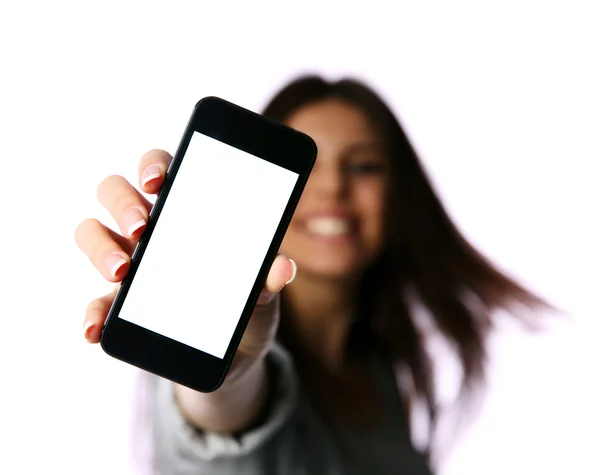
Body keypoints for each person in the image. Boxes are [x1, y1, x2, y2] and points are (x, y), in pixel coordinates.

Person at [75, 75, 549, 474]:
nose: (334, 188)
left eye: (364, 166)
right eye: (311, 167)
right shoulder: (221, 349)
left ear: (401, 195)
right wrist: (229, 377)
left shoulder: (378, 369)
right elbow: (220, 421)